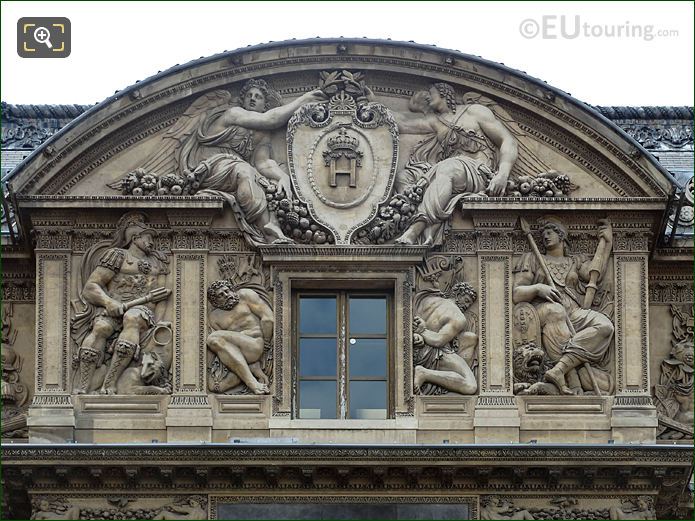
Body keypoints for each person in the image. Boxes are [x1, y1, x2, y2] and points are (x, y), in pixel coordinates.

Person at [192, 79, 326, 244]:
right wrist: (302, 100)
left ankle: (274, 225)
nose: (252, 99)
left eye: (258, 96)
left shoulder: (262, 134)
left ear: (265, 105)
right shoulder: (235, 113)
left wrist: (283, 177)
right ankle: (268, 231)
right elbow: (271, 120)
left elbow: (263, 163)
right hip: (211, 165)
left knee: (269, 181)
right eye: (249, 95)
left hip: (235, 169)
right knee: (245, 172)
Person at [391, 82, 518, 245]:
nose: (428, 96)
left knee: (448, 167)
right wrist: (370, 105)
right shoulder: (436, 122)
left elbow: (507, 140)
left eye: (432, 93)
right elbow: (401, 123)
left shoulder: (474, 112)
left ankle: (415, 229)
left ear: (444, 94)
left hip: (478, 172)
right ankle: (409, 217)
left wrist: (502, 174)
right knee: (403, 176)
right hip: (450, 170)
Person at [512, 217, 614, 395]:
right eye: (543, 234)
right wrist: (538, 288)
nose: (545, 237)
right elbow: (517, 293)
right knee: (556, 311)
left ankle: (560, 369)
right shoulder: (533, 258)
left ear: (561, 236)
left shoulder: (575, 261)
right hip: (544, 310)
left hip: (574, 312)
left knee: (605, 326)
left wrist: (606, 243)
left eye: (550, 232)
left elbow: (594, 273)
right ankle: (572, 378)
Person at [72, 212, 170, 395]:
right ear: (135, 238)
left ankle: (109, 384)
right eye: (148, 237)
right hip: (113, 307)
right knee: (100, 327)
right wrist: (108, 302)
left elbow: (162, 297)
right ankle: (82, 386)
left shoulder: (157, 262)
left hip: (141, 312)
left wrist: (161, 321)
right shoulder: (117, 255)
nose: (152, 242)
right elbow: (91, 287)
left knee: (132, 318)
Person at [206, 280, 273, 395]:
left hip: (256, 343)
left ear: (232, 290)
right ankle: (251, 368)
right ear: (215, 302)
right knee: (215, 388)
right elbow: (223, 347)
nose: (226, 295)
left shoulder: (245, 295)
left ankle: (252, 382)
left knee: (213, 338)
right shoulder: (214, 317)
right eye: (221, 295)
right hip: (239, 352)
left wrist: (266, 342)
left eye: (227, 291)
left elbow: (268, 318)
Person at [412, 281, 478, 395]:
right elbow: (438, 341)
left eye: (470, 304)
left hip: (413, 345)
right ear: (457, 295)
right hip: (432, 353)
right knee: (470, 385)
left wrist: (417, 334)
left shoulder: (427, 297)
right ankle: (424, 373)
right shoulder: (458, 317)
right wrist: (422, 331)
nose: (467, 306)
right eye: (466, 300)